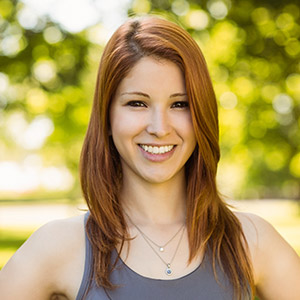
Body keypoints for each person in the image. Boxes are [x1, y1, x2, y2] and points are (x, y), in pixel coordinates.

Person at [0, 15, 299, 300]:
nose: (159, 128)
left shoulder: (251, 241)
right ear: (107, 116)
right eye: (137, 103)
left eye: (180, 104)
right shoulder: (59, 246)